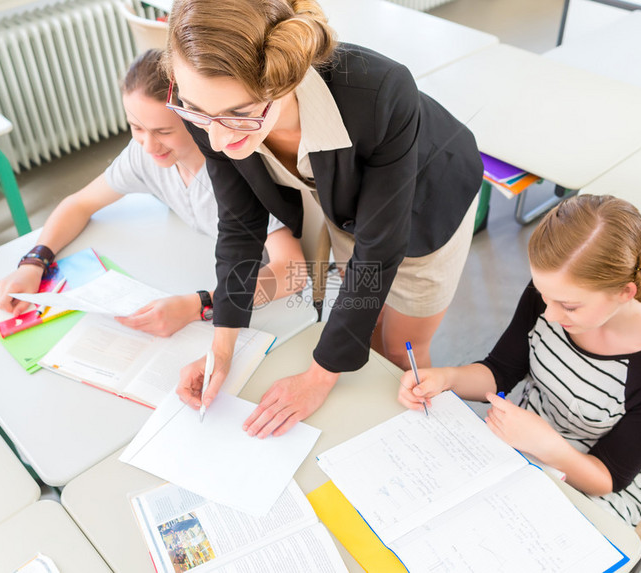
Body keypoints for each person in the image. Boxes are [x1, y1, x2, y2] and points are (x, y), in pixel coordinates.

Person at [167, 0, 483, 438]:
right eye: (196, 111)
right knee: (363, 324)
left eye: (239, 115)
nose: (217, 140)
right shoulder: (206, 101)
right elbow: (240, 224)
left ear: (284, 80)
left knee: (397, 348)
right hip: (348, 202)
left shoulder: (381, 91)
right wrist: (221, 347)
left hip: (428, 198)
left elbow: (379, 250)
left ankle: (407, 443)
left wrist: (318, 377)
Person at [398, 194, 641, 526]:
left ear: (625, 292)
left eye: (569, 306)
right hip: (524, 445)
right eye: (544, 296)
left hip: (595, 484)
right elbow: (500, 370)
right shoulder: (556, 291)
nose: (550, 314)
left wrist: (545, 444)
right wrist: (446, 379)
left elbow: (608, 478)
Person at [0, 49, 306, 336]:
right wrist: (34, 263)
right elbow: (79, 204)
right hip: (201, 270)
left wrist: (201, 303)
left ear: (197, 118)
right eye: (136, 127)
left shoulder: (240, 169)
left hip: (273, 307)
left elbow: (293, 271)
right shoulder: (145, 155)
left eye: (164, 132)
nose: (148, 144)